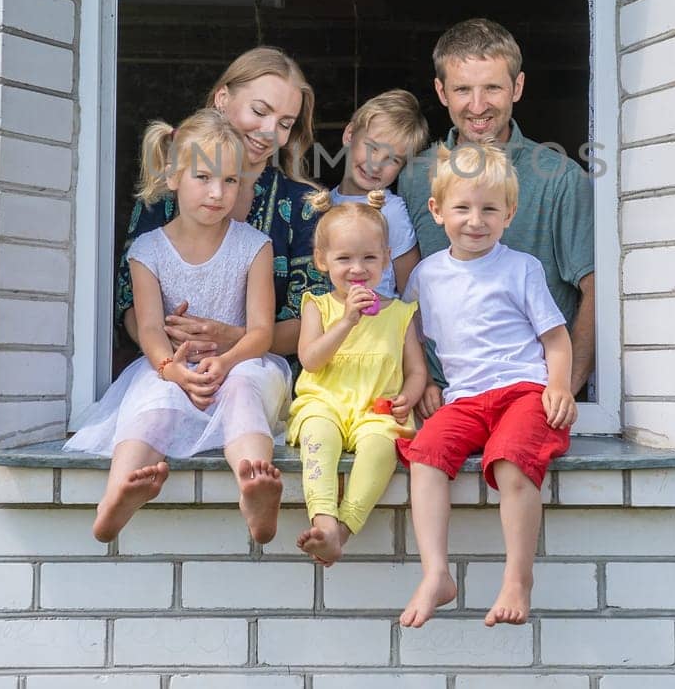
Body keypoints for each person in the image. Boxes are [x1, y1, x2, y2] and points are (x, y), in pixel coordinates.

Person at [66, 109, 286, 545]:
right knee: (154, 398)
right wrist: (170, 368)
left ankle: (253, 490)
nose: (217, 192)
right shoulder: (148, 249)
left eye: (230, 181)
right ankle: (116, 497)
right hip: (172, 365)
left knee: (243, 388)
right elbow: (148, 328)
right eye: (203, 177)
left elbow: (261, 332)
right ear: (172, 177)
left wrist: (225, 361)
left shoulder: (254, 245)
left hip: (241, 363)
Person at [397, 144, 576, 629]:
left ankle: (518, 577)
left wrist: (558, 385)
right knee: (426, 454)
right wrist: (425, 378)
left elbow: (556, 340)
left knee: (513, 460)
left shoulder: (521, 268)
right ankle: (437, 573)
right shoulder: (426, 275)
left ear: (509, 214)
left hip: (522, 391)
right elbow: (406, 330)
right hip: (464, 399)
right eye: (462, 208)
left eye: (489, 209)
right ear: (437, 211)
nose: (475, 220)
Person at [397, 19, 596, 409]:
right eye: (462, 89)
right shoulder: (415, 178)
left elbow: (594, 290)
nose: (477, 106)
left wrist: (565, 388)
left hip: (530, 398)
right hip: (445, 401)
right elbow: (408, 297)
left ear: (517, 87)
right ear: (441, 92)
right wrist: (418, 378)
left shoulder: (560, 178)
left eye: (492, 87)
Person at [115, 47, 330, 366]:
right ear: (222, 99)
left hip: (260, 379)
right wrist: (173, 348)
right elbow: (128, 302)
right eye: (259, 111)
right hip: (171, 372)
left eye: (285, 123)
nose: (270, 132)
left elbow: (320, 320)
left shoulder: (304, 207)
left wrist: (237, 339)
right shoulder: (164, 195)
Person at [289, 190, 428, 567]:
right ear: (322, 261)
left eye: (369, 257)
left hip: (376, 409)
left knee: (380, 450)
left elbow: (416, 370)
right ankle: (322, 519)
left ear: (385, 258)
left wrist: (410, 397)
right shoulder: (317, 306)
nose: (358, 268)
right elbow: (311, 360)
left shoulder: (399, 313)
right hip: (325, 402)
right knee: (318, 438)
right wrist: (347, 321)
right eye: (344, 259)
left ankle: (342, 530)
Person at [324, 89, 428, 297]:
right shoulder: (323, 202)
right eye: (371, 147)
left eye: (393, 159)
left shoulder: (390, 211)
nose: (376, 164)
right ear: (349, 135)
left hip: (379, 324)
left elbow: (411, 292)